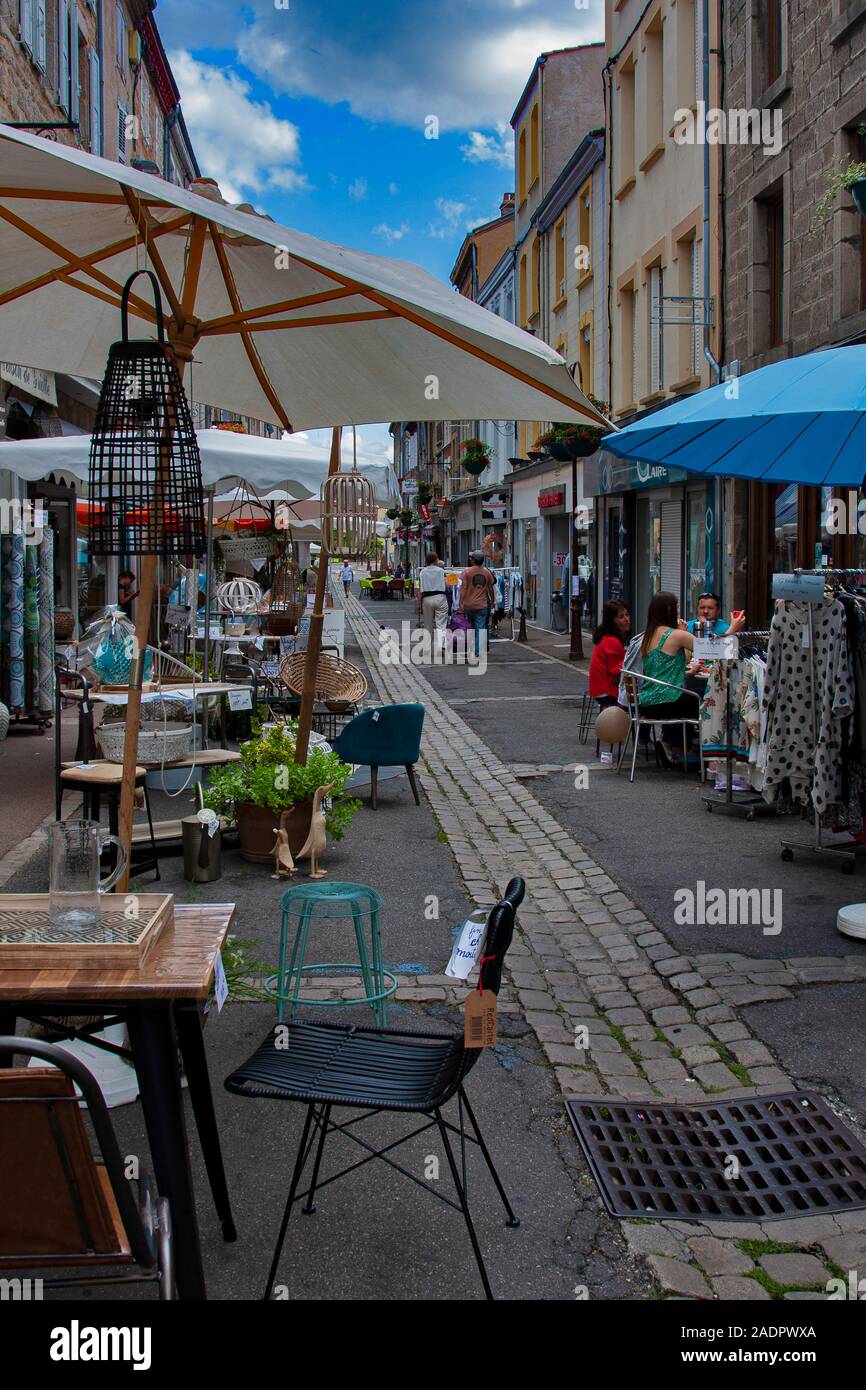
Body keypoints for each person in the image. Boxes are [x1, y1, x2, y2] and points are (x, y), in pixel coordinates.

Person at [639, 592, 745, 765]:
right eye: (676, 609)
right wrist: (733, 628)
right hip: (667, 701)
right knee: (709, 700)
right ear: (668, 611)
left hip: (646, 701)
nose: (678, 613)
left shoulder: (648, 634)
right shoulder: (676, 635)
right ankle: (711, 754)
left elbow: (671, 666)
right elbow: (714, 650)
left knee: (695, 692)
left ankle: (679, 745)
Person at [589, 601, 631, 710]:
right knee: (642, 704)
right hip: (607, 690)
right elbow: (616, 674)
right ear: (612, 621)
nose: (627, 619)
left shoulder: (606, 637)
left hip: (598, 688)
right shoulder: (612, 642)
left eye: (627, 614)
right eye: (621, 617)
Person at [457, 549, 496, 657]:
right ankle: (478, 652)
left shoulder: (466, 572)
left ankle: (470, 650)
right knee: (480, 628)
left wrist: (461, 603)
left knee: (469, 628)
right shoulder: (487, 573)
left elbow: (463, 588)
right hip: (482, 605)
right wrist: (492, 601)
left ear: (472, 560)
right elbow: (490, 589)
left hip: (468, 604)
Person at [418, 550, 448, 648]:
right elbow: (447, 585)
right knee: (441, 622)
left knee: (428, 623)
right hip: (440, 597)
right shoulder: (441, 571)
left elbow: (419, 590)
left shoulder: (422, 572)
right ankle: (442, 645)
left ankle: (427, 644)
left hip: (427, 598)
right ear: (436, 560)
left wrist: (418, 604)